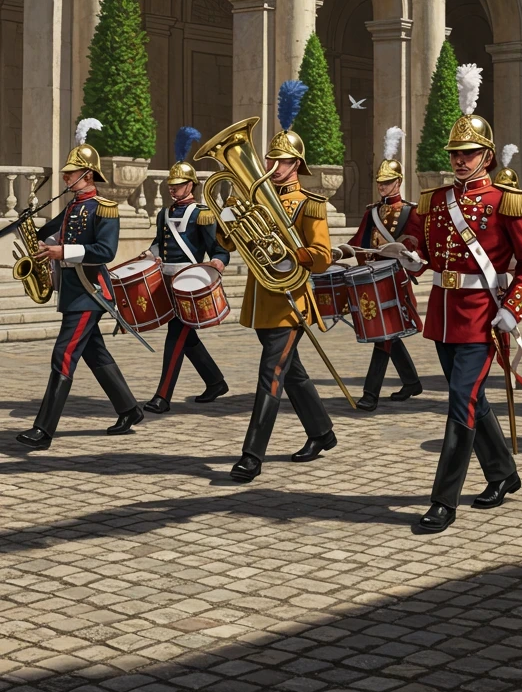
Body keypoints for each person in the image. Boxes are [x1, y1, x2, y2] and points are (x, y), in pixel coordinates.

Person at [398, 64, 522, 534]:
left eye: (469, 153)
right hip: (443, 314)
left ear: (487, 155)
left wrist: (511, 308)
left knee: (460, 401)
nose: (460, 161)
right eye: (455, 154)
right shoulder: (434, 201)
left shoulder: (507, 200)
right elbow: (419, 246)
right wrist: (409, 255)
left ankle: (444, 500)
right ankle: (503, 472)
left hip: (483, 317)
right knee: (474, 400)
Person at [222, 81, 335, 483]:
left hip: (291, 301)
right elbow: (227, 241)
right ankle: (322, 432)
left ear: (297, 166)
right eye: (271, 159)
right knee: (293, 373)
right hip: (263, 299)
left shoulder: (310, 203)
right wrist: (230, 217)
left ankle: (251, 455)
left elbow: (320, 257)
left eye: (283, 162)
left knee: (270, 374)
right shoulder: (254, 198)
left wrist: (291, 254)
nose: (273, 165)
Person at [16, 120, 143, 450]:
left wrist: (63, 251)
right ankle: (129, 409)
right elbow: (46, 233)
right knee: (94, 353)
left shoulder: (105, 209)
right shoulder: (72, 205)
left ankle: (43, 430)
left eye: (71, 173)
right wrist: (30, 227)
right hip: (72, 292)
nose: (65, 177)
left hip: (91, 292)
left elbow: (106, 251)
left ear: (87, 174)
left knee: (64, 352)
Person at [143, 127, 230, 415]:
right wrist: (150, 254)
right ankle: (215, 381)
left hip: (189, 284)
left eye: (178, 184)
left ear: (191, 186)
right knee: (186, 338)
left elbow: (218, 249)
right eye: (171, 184)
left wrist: (218, 262)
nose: (172, 188)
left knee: (176, 337)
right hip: (165, 283)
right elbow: (159, 243)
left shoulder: (203, 213)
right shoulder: (163, 213)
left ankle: (162, 396)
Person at [339, 126, 423, 412]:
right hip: (373, 279)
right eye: (380, 183)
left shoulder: (411, 211)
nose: (382, 187)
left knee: (384, 336)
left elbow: (417, 244)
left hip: (396, 279)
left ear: (398, 181)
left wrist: (406, 251)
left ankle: (370, 394)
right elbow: (359, 241)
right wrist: (341, 251)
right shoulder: (371, 211)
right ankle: (411, 383)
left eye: (387, 182)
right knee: (387, 333)